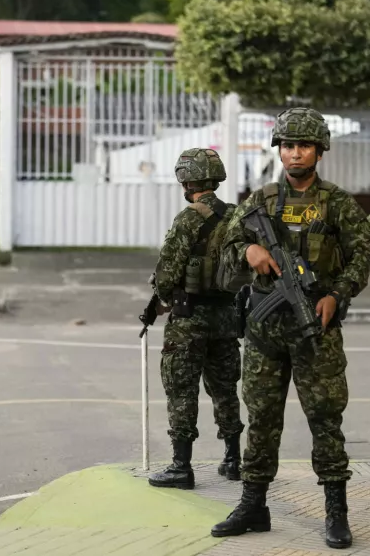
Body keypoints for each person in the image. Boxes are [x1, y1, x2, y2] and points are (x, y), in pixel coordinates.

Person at [211, 107, 370, 550]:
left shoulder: (338, 203)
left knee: (324, 419)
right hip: (265, 333)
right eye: (287, 145)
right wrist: (250, 254)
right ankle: (253, 504)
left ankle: (335, 511)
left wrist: (336, 295)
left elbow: (361, 257)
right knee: (261, 418)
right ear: (279, 150)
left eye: (303, 145)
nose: (294, 153)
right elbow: (227, 244)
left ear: (319, 150)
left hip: (315, 331)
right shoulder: (259, 200)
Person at [147, 148, 245, 490]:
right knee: (225, 390)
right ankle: (233, 460)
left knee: (182, 390)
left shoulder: (188, 218)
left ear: (187, 179)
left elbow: (166, 276)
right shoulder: (235, 214)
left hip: (188, 319)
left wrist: (160, 297)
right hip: (226, 317)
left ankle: (181, 466)